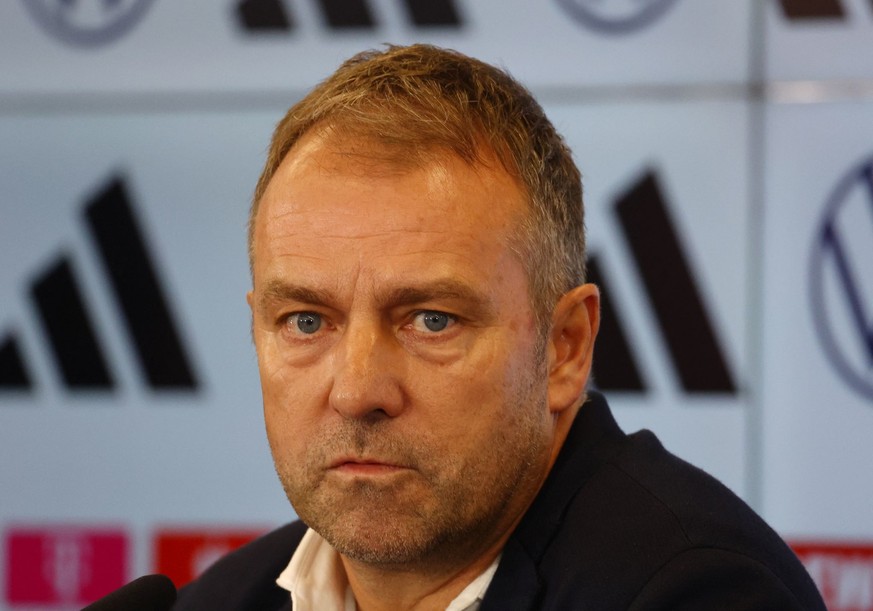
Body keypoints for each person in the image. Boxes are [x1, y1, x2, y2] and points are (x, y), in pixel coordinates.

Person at [174, 44, 825, 610]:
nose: (356, 390)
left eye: (431, 320)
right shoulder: (224, 600)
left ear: (564, 347)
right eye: (306, 320)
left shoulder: (699, 592)